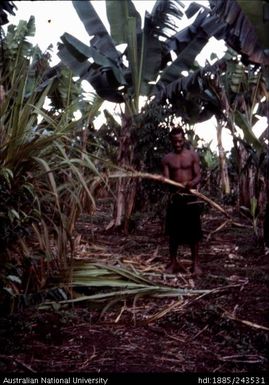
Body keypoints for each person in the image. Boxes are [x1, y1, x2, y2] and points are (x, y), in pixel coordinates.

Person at [162, 126, 203, 275]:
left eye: (179, 141)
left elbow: (198, 175)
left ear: (184, 139)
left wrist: (191, 184)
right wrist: (170, 184)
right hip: (176, 199)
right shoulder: (167, 159)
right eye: (174, 142)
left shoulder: (193, 156)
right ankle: (173, 262)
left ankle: (196, 263)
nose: (177, 144)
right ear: (171, 141)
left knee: (194, 232)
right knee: (173, 232)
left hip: (191, 198)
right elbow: (166, 179)